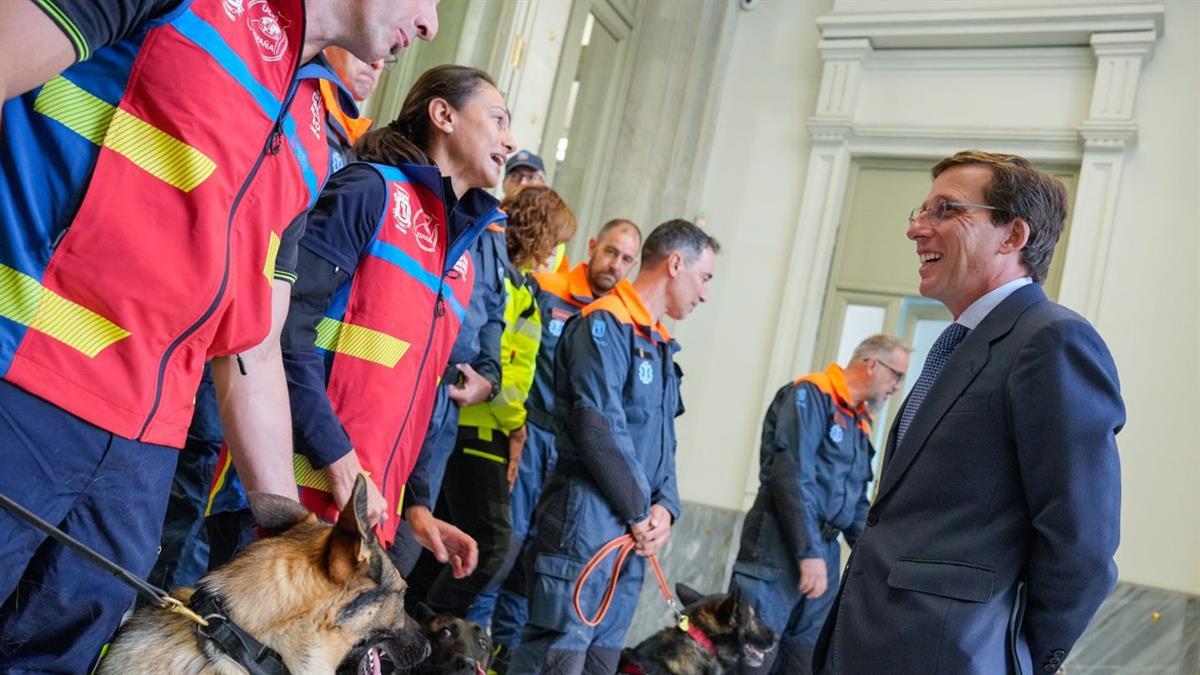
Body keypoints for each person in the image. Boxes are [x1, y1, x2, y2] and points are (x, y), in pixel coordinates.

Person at [0, 1, 438, 670]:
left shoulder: (307, 128)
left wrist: (287, 525)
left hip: (141, 459)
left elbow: (253, 344)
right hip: (23, 383)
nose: (430, 23)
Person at [814, 151, 1125, 675]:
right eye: (920, 211)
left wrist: (1014, 656)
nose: (916, 228)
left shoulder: (1051, 340)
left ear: (1012, 236)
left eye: (946, 210)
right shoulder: (957, 346)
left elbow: (1083, 545)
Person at [149, 44, 386, 594]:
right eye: (365, 55)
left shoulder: (338, 140)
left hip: (255, 357)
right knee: (191, 497)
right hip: (216, 342)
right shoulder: (288, 101)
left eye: (384, 65)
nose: (376, 65)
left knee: (198, 495)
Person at [282, 64, 515, 576]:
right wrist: (336, 456)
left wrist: (419, 504)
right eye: (498, 119)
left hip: (366, 514)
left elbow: (424, 386)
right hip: (292, 500)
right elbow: (285, 329)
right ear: (443, 115)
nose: (510, 141)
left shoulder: (461, 260)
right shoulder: (369, 191)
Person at [510, 219, 720, 675]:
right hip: (585, 521)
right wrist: (641, 510)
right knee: (557, 658)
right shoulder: (602, 324)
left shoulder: (659, 342)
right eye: (704, 278)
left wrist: (666, 508)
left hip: (631, 534)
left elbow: (663, 441)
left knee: (600, 664)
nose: (705, 294)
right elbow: (597, 427)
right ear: (675, 263)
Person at [473, 218, 642, 670]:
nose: (616, 265)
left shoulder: (620, 322)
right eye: (611, 252)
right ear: (593, 246)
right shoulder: (548, 289)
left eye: (627, 259)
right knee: (503, 550)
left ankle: (505, 656)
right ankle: (474, 648)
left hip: (575, 454)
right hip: (529, 435)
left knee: (538, 564)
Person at [408, 185, 578, 614]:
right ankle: (435, 626)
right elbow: (490, 355)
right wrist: (514, 421)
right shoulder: (495, 266)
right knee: (492, 542)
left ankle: (417, 622)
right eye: (554, 241)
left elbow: (513, 368)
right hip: (476, 422)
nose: (553, 253)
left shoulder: (522, 284)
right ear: (538, 231)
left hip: (495, 424)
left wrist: (514, 422)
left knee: (441, 544)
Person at [730, 334, 911, 675]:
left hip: (823, 553)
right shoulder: (810, 394)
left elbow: (856, 504)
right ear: (872, 364)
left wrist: (879, 560)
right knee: (751, 660)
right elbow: (791, 475)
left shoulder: (859, 422)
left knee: (803, 662)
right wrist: (808, 552)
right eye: (896, 375)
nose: (897, 386)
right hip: (779, 546)